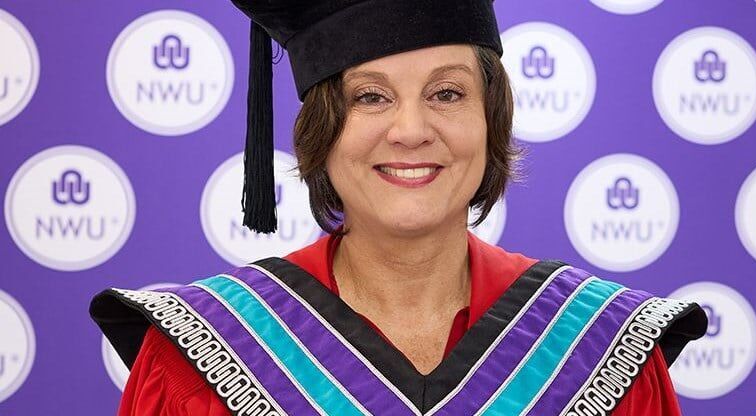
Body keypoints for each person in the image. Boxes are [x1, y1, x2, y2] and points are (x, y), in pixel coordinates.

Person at [90, 1, 708, 415]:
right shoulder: (201, 357)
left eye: (447, 93)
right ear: (322, 131)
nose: (411, 131)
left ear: (490, 121)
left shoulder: (599, 351)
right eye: (371, 97)